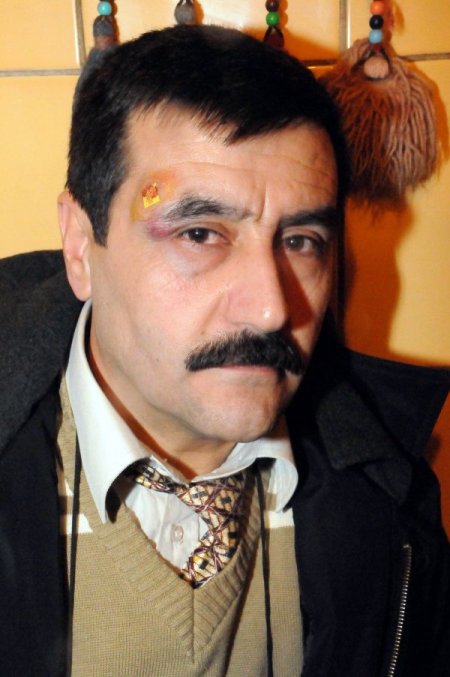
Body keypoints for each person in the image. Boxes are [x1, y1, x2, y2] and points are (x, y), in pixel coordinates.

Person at [0, 25, 448, 677]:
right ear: (79, 246)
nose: (272, 309)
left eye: (300, 241)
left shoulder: (393, 502)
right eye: (201, 233)